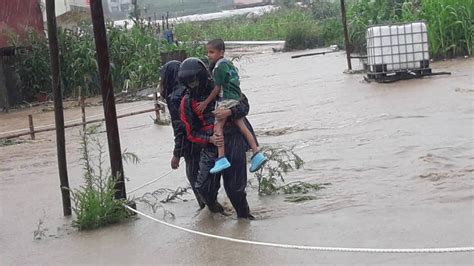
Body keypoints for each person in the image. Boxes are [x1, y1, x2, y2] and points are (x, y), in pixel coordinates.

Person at [178, 58, 255, 219]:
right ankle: (217, 212)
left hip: (233, 139)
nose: (194, 85)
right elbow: (190, 132)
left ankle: (244, 219)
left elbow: (244, 106)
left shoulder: (224, 87)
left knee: (235, 189)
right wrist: (210, 139)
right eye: (189, 83)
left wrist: (229, 112)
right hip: (210, 145)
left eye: (195, 81)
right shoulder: (187, 101)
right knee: (203, 186)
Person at [194, 39, 267, 174]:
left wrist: (205, 103)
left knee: (218, 127)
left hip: (226, 100)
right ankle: (256, 153)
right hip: (236, 98)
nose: (209, 55)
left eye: (211, 52)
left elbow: (216, 89)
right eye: (208, 52)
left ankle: (221, 157)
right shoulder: (229, 64)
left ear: (221, 52)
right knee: (243, 127)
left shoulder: (217, 68)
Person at [160, 60, 205, 209]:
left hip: (191, 144)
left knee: (194, 176)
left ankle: (206, 208)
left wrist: (176, 154)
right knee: (206, 175)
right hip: (205, 138)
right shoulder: (191, 90)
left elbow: (180, 128)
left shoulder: (174, 98)